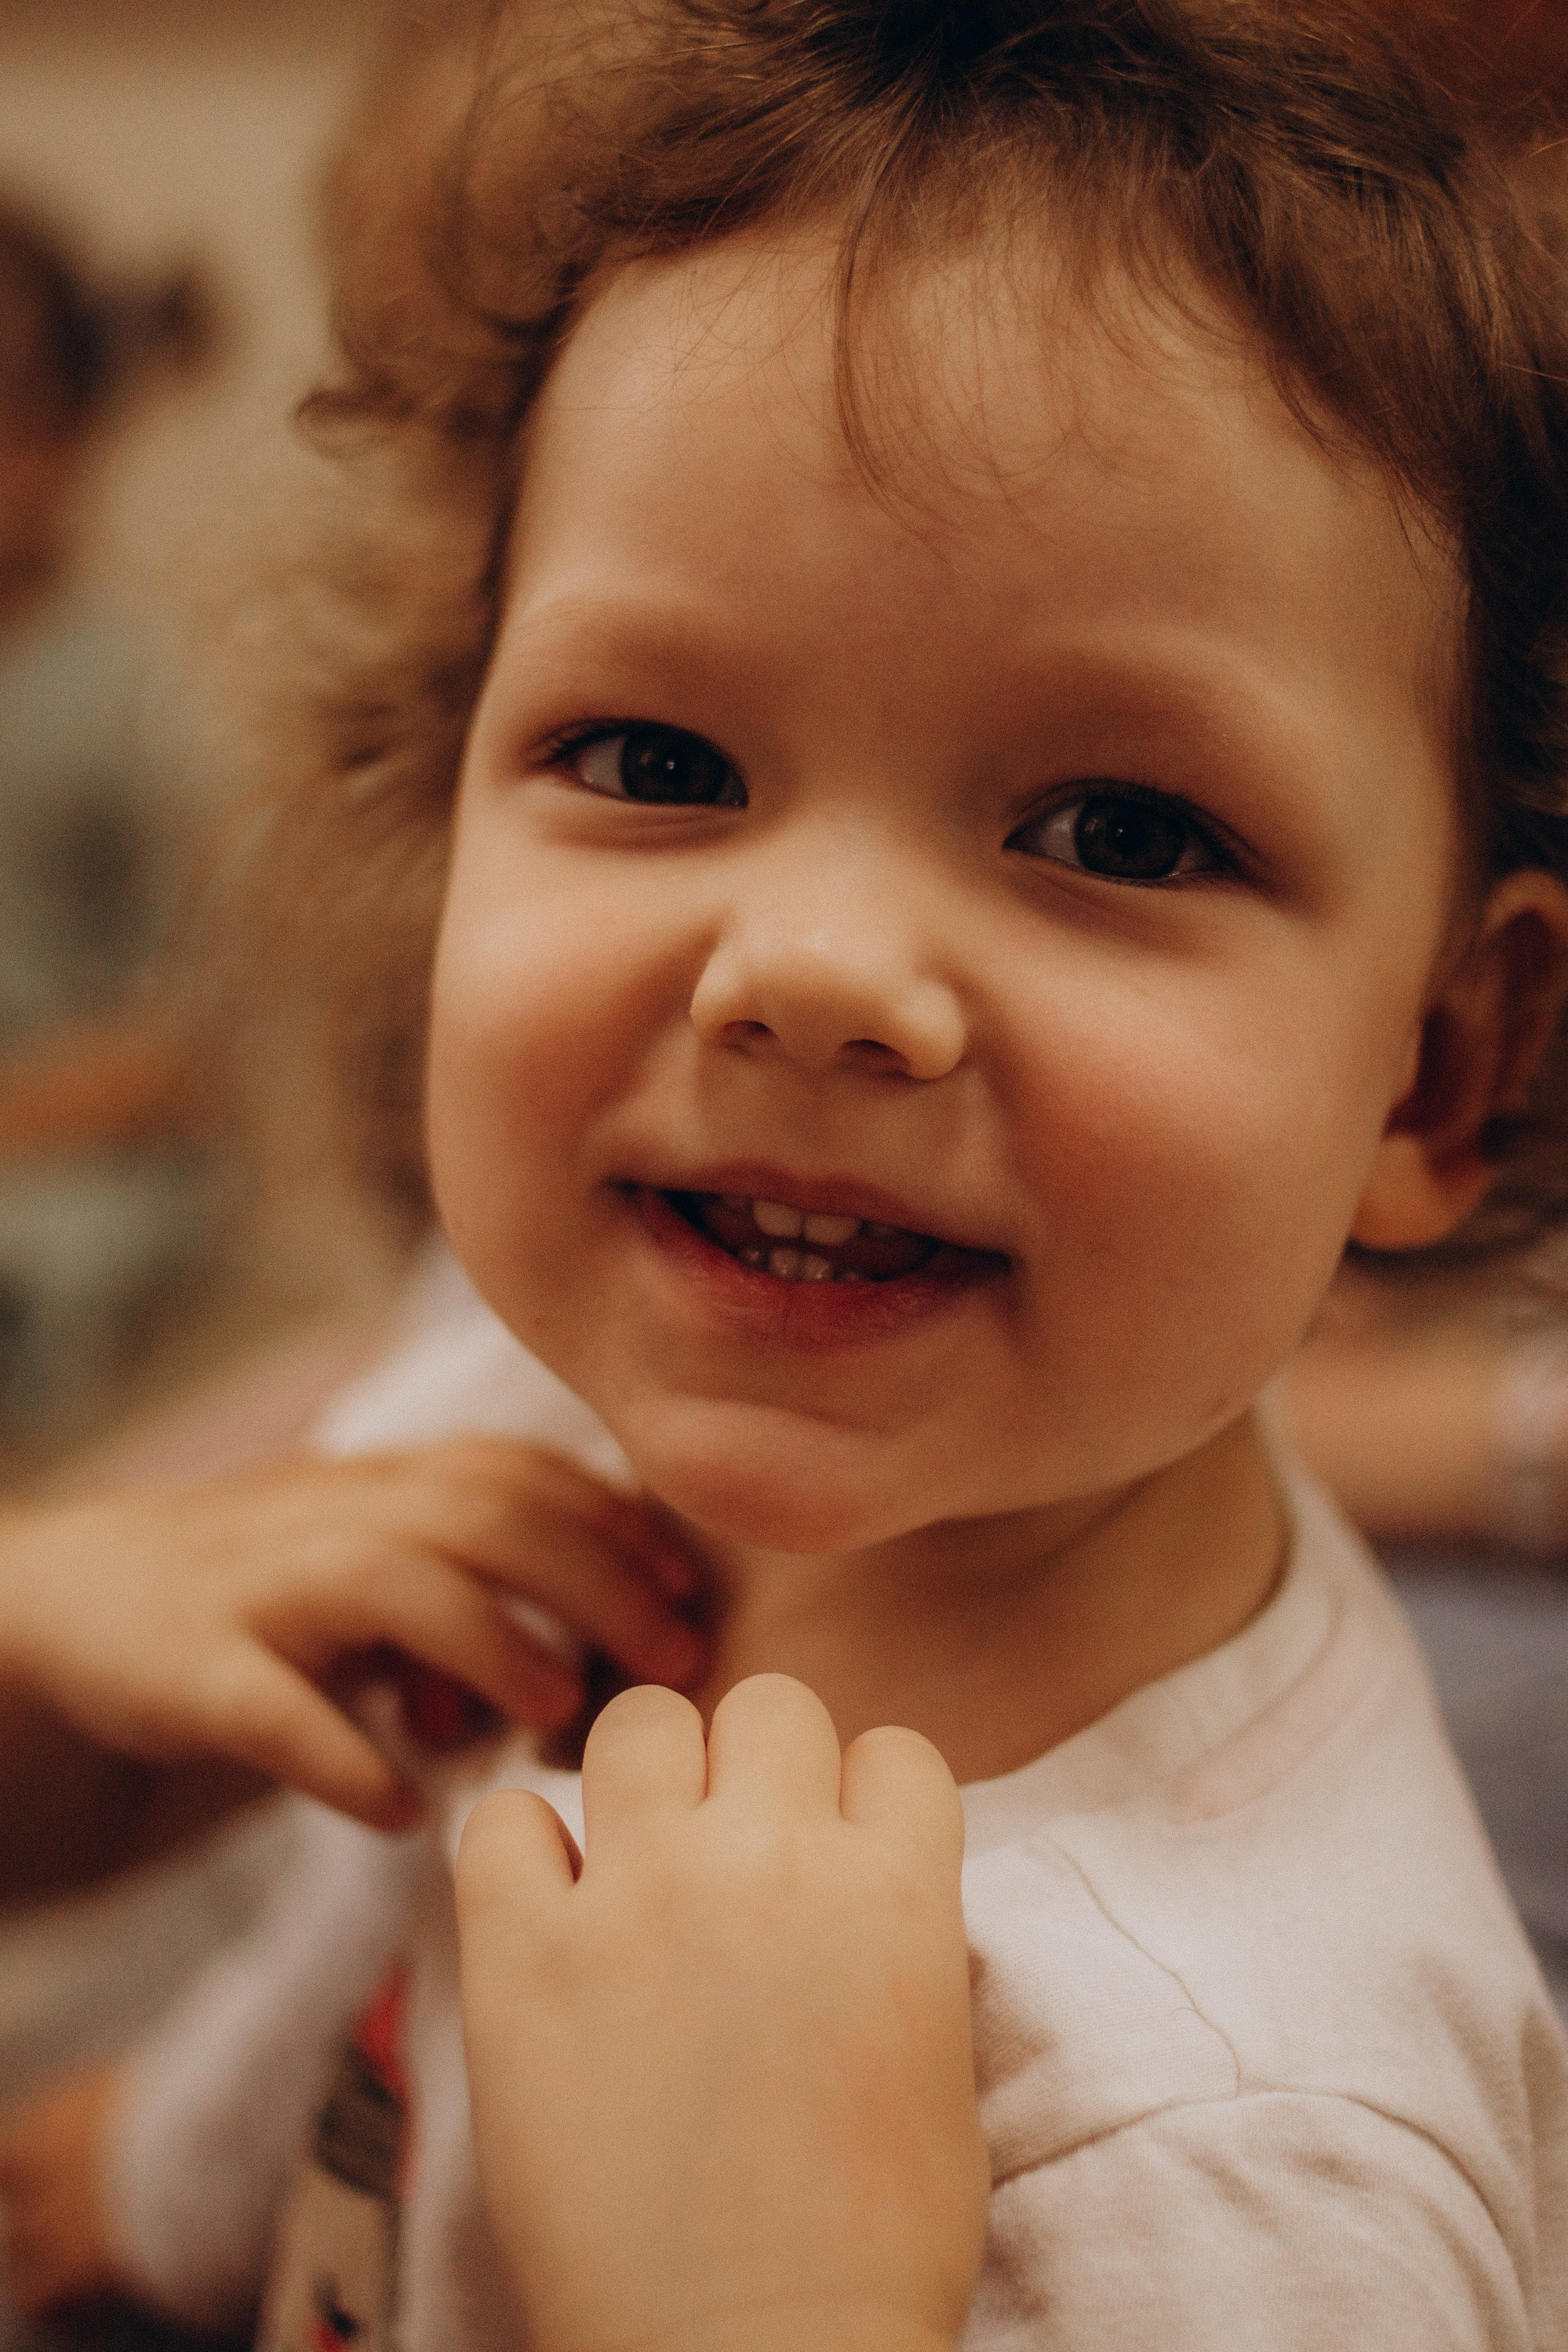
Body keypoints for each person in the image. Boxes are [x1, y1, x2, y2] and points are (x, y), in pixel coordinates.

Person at [6, 0, 1568, 2345]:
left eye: (1116, 828)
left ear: (1438, 1070)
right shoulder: (551, 1398)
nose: (816, 971)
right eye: (654, 753)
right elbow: (371, 2005)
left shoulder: (1245, 2164)